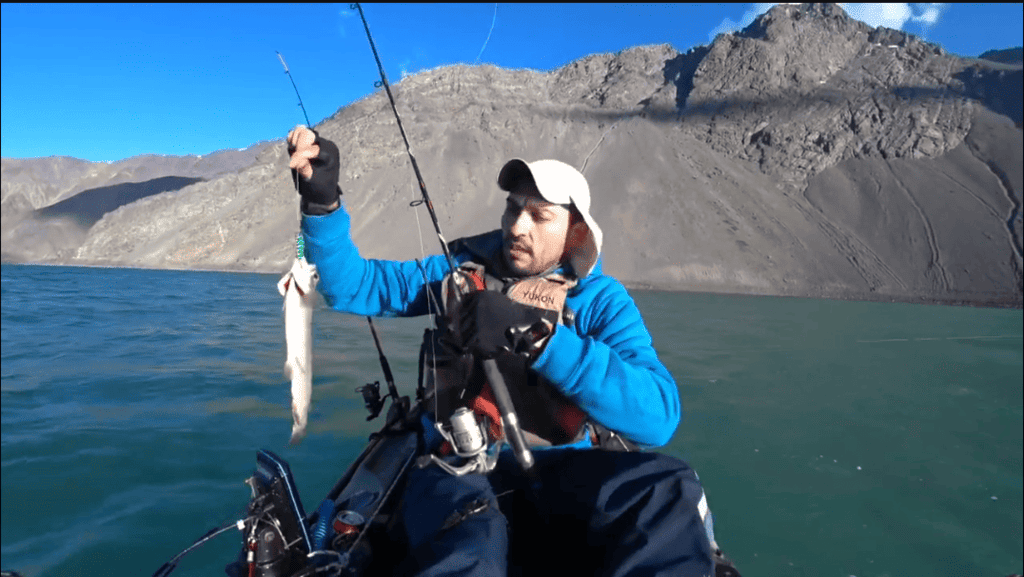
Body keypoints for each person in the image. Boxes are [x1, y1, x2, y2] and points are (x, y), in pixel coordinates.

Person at [287, 126, 723, 576]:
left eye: (540, 216)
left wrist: (538, 338)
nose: (517, 226)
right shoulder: (458, 272)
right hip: (455, 466)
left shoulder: (601, 301)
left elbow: (658, 417)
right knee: (472, 540)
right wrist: (323, 207)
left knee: (668, 489)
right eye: (513, 208)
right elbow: (355, 286)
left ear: (574, 231)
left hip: (562, 468)